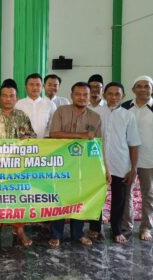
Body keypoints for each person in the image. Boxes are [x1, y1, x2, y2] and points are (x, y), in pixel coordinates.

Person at [0, 78, 36, 246]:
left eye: (12, 96)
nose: (8, 99)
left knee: (18, 197)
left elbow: (33, 136)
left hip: (16, 166)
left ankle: (20, 231)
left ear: (16, 98)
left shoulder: (22, 116)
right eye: (5, 96)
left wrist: (27, 138)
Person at [48, 81, 106, 248]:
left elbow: (98, 144)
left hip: (84, 165)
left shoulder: (95, 117)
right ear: (72, 95)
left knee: (80, 198)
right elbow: (54, 134)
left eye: (85, 95)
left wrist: (103, 168)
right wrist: (80, 135)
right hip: (61, 164)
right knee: (59, 198)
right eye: (78, 94)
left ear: (90, 97)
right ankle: (56, 234)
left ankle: (77, 234)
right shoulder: (61, 111)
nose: (82, 97)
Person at [121, 75, 153, 241]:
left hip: (150, 159)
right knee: (126, 194)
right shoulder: (125, 107)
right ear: (133, 89)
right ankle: (126, 226)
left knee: (148, 194)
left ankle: (146, 228)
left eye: (146, 86)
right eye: (139, 86)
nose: (143, 89)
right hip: (126, 160)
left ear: (152, 89)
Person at [93, 82, 141, 244]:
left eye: (117, 94)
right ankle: (94, 228)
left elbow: (134, 144)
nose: (113, 97)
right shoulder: (95, 112)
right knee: (96, 197)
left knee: (119, 199)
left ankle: (116, 229)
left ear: (123, 96)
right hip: (96, 164)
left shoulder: (129, 116)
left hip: (121, 163)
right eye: (110, 94)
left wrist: (133, 168)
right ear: (104, 95)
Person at [15, 73, 56, 138]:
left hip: (45, 143)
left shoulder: (50, 104)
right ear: (25, 87)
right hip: (23, 143)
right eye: (31, 85)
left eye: (38, 85)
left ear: (42, 87)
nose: (35, 87)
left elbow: (53, 125)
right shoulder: (17, 104)